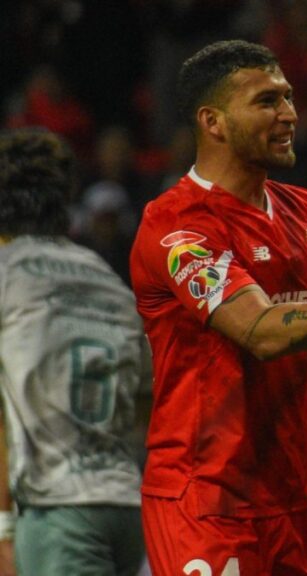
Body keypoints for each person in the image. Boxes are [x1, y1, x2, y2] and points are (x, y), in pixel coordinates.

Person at [129, 40, 307, 575]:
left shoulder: (303, 209)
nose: (289, 115)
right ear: (212, 121)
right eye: (266, 101)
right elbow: (258, 328)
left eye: (287, 98)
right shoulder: (176, 225)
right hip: (206, 502)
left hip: (293, 500)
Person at [0, 127, 148, 576]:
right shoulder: (103, 276)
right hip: (123, 504)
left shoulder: (7, 273)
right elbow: (145, 396)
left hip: (56, 511)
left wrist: (4, 526)